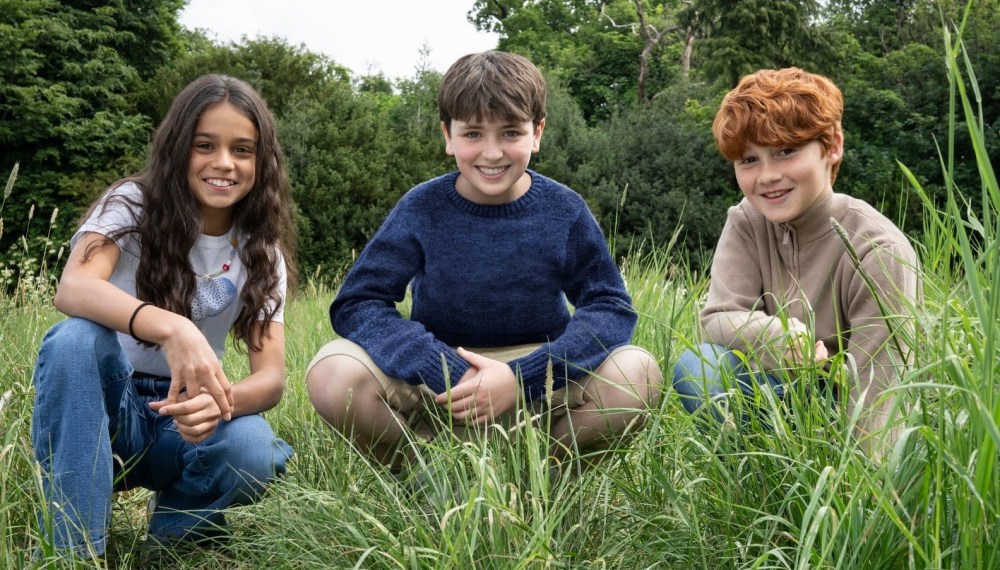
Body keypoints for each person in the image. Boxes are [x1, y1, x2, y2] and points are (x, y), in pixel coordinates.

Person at [306, 50, 662, 472]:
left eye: (510, 132)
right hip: (437, 380)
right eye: (473, 133)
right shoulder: (422, 207)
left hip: (538, 380)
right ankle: (432, 476)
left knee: (638, 372)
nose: (491, 153)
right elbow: (358, 302)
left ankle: (536, 478)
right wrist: (443, 367)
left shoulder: (563, 210)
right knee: (331, 372)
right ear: (448, 135)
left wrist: (522, 378)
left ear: (537, 133)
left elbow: (609, 306)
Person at [31, 74, 296, 558]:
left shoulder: (262, 251)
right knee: (74, 340)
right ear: (178, 147)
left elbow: (272, 378)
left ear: (263, 160)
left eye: (243, 149)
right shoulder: (131, 204)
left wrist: (222, 402)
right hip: (106, 403)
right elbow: (73, 288)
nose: (224, 163)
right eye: (205, 145)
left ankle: (168, 549)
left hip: (183, 419)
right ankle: (73, 554)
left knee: (253, 448)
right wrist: (172, 327)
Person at [672, 67, 919, 456]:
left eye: (786, 151)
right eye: (749, 160)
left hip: (846, 409)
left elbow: (881, 386)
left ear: (832, 146)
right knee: (697, 366)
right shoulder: (746, 222)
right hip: (773, 395)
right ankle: (755, 486)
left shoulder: (879, 247)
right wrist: (780, 337)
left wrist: (866, 494)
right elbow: (717, 317)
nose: (767, 176)